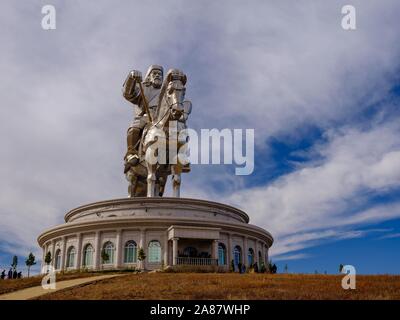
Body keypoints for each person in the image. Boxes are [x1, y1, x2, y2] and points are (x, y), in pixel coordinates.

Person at [122, 65, 164, 173]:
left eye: (160, 74)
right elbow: (128, 94)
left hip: (163, 118)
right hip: (147, 116)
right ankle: (131, 153)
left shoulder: (166, 91)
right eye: (154, 73)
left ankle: (179, 157)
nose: (158, 75)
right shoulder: (144, 87)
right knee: (136, 125)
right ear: (149, 76)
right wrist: (131, 78)